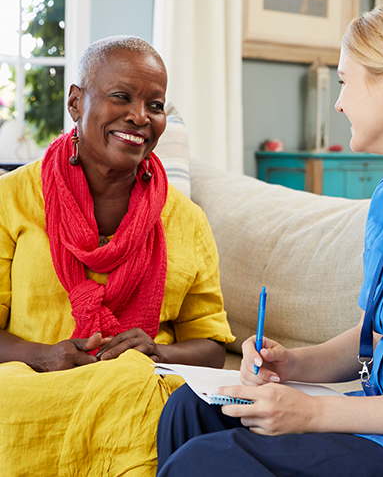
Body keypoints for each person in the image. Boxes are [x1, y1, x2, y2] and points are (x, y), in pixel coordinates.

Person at [155, 0, 383, 477]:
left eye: (343, 82)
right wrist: (292, 365)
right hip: (375, 414)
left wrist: (314, 412)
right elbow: (374, 334)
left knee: (206, 461)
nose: (337, 102)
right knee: (188, 411)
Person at [0, 35, 234, 476]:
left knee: (137, 391)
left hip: (136, 389)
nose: (140, 117)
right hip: (29, 385)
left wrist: (157, 354)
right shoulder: (11, 199)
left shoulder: (186, 220)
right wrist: (43, 356)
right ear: (75, 102)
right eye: (121, 96)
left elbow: (213, 348)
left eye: (156, 104)